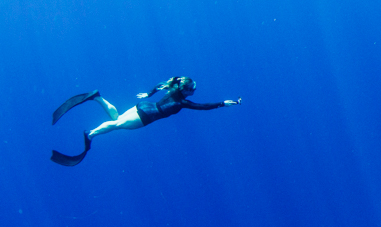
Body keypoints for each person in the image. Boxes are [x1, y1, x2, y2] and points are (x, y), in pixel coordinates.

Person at [50, 77, 240, 166]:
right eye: (193, 90)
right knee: (117, 125)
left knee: (117, 119)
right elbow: (202, 107)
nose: (194, 93)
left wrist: (148, 93)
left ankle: (97, 97)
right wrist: (222, 103)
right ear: (186, 90)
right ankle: (90, 134)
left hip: (143, 107)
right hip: (145, 117)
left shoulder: (172, 89)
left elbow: (160, 85)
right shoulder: (181, 102)